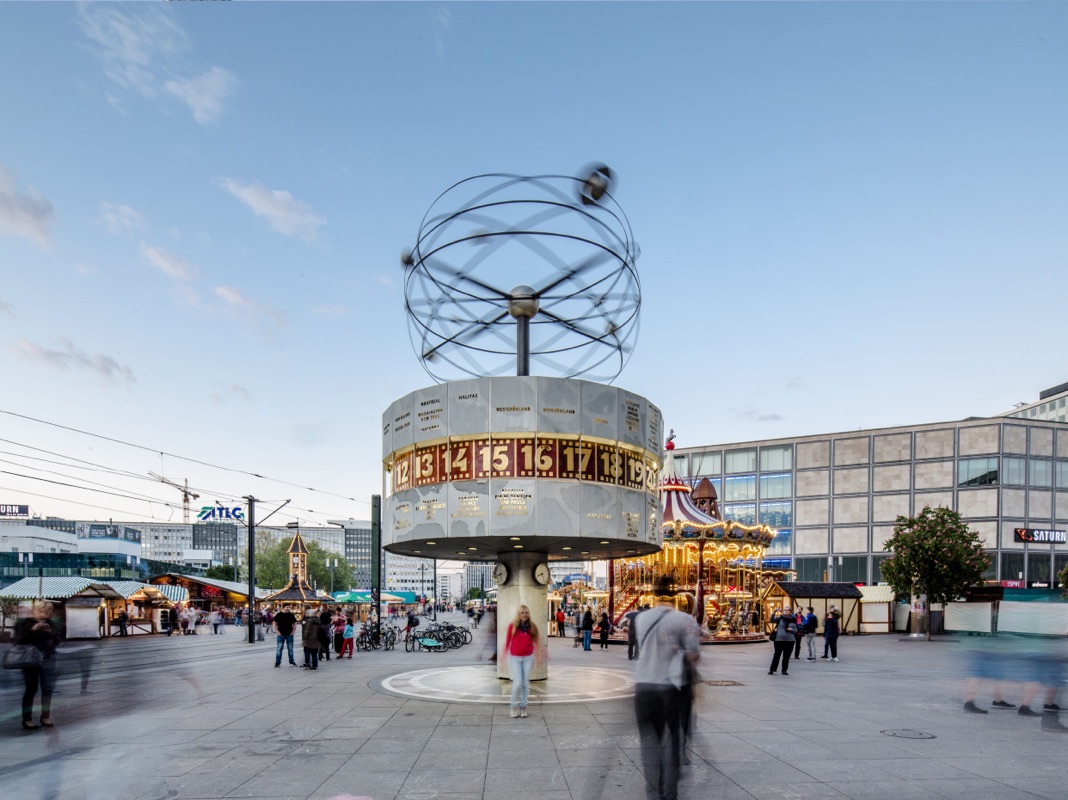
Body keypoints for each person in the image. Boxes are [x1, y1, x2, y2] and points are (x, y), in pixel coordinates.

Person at [633, 579, 701, 800]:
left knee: (650, 745)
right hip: (670, 688)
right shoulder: (684, 619)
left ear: (654, 593)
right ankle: (669, 793)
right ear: (677, 594)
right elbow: (693, 654)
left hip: (643, 687)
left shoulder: (641, 618)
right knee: (671, 742)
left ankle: (652, 792)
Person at [15, 600, 61, 730]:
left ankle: (45, 716)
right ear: (35, 611)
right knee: (31, 689)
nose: (43, 615)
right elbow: (19, 641)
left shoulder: (50, 624)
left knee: (47, 689)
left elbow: (57, 641)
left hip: (47, 659)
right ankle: (27, 719)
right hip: (30, 660)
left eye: (47, 612)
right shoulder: (26, 623)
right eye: (41, 612)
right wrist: (31, 630)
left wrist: (50, 633)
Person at [504, 604, 539, 718]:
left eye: (526, 612)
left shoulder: (532, 626)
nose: (524, 615)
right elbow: (508, 641)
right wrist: (503, 654)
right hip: (515, 658)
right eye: (522, 613)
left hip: (528, 657)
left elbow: (537, 642)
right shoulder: (512, 626)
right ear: (518, 614)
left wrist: (541, 654)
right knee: (517, 683)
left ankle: (523, 707)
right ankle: (513, 706)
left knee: (525, 684)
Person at [769, 606, 797, 675]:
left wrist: (791, 629)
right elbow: (771, 620)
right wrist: (774, 612)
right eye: (785, 610)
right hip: (779, 640)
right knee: (776, 655)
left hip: (790, 640)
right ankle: (772, 669)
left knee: (786, 657)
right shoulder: (779, 618)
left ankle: (784, 670)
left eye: (788, 610)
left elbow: (796, 630)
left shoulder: (793, 620)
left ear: (790, 612)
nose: (786, 611)